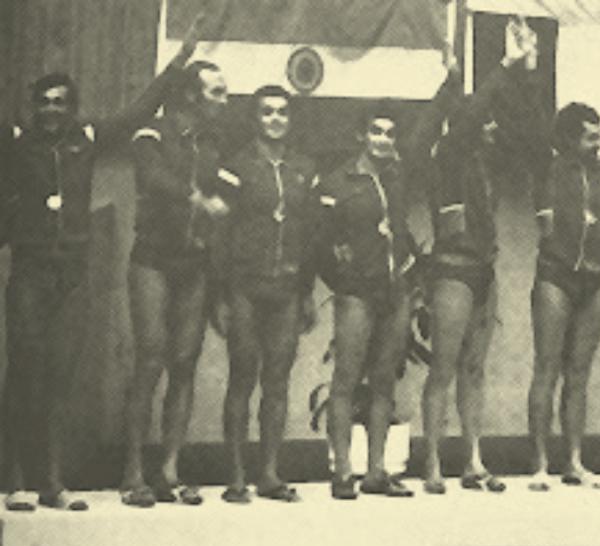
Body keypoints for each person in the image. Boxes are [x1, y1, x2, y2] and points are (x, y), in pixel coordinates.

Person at [0, 15, 204, 512]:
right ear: (33, 107)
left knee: (61, 378)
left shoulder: (86, 138)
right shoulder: (17, 142)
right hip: (30, 274)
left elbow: (137, 113)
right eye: (44, 103)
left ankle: (52, 483)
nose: (52, 110)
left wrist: (178, 65)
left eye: (60, 103)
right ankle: (13, 483)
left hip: (73, 276)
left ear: (72, 108)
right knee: (24, 373)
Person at [319, 62, 460, 500]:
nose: (383, 139)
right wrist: (343, 279)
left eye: (390, 133)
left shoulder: (400, 172)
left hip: (395, 292)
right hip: (356, 295)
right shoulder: (337, 182)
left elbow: (429, 124)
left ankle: (376, 471)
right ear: (361, 135)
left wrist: (451, 81)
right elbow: (318, 243)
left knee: (384, 381)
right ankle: (343, 471)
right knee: (346, 380)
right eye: (376, 132)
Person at [421, 18, 539, 494]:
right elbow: (471, 117)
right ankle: (432, 462)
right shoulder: (447, 155)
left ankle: (472, 459)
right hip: (453, 270)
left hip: (484, 270)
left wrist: (527, 70)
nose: (491, 125)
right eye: (483, 120)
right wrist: (505, 64)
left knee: (474, 368)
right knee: (444, 368)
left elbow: (527, 127)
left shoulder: (489, 161)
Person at [118, 52, 231, 508]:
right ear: (191, 95)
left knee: (185, 363)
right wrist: (196, 198)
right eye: (217, 93)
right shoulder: (152, 132)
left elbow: (227, 199)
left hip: (194, 264)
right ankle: (132, 473)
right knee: (150, 359)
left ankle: (169, 470)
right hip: (153, 259)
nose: (225, 100)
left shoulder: (214, 143)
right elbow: (152, 178)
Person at [209, 85, 319, 503]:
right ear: (254, 118)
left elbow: (310, 234)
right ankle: (236, 476)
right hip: (244, 286)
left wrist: (306, 291)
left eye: (282, 112)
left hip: (287, 288)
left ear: (291, 119)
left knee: (278, 380)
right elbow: (220, 234)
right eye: (267, 112)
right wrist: (220, 295)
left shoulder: (304, 168)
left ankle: (269, 474)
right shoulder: (236, 167)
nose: (275, 119)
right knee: (242, 376)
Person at [526, 100, 600, 491]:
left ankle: (574, 461)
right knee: (547, 368)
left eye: (599, 135)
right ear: (569, 139)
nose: (597, 142)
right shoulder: (549, 169)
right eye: (589, 136)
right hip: (556, 276)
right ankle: (539, 464)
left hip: (594, 281)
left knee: (580, 373)